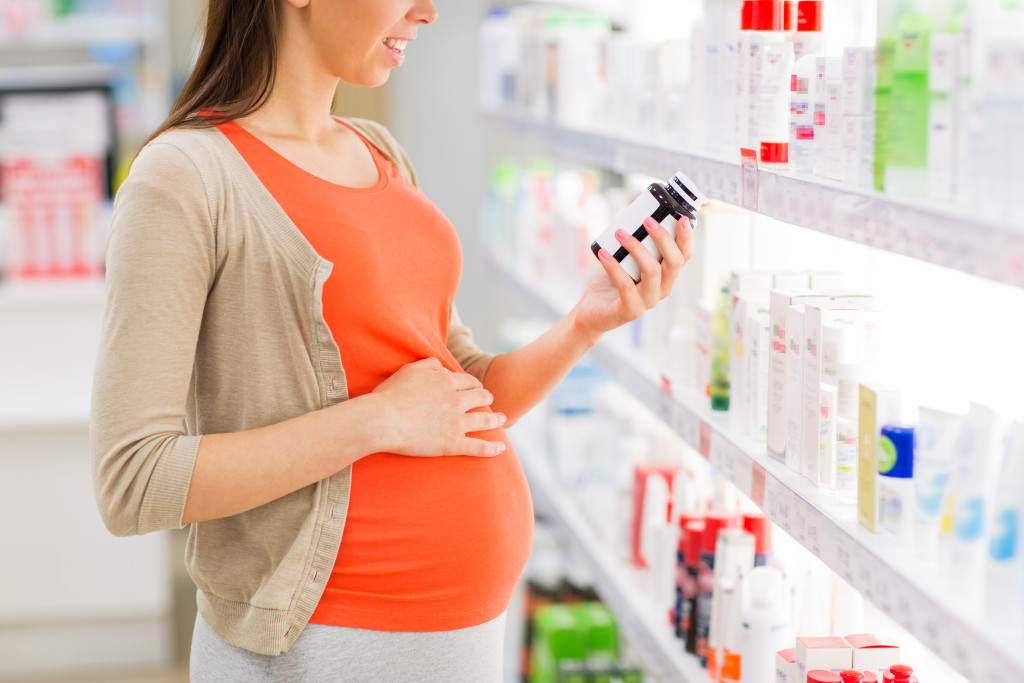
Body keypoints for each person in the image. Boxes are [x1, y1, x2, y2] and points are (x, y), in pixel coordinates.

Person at [90, 0, 694, 680]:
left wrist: (587, 320)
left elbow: (457, 394)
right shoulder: (184, 176)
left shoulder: (381, 154)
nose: (429, 12)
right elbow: (133, 479)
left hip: (461, 637)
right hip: (325, 645)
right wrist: (376, 420)